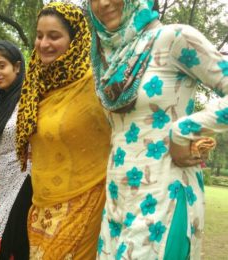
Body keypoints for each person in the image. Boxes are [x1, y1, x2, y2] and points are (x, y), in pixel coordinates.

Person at [88, 0, 228, 259]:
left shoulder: (173, 38)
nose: (103, 3)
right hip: (117, 203)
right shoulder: (107, 61)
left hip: (164, 197)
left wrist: (184, 130)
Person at [16, 2, 111, 259]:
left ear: (76, 40)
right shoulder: (36, 85)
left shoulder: (97, 83)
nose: (43, 43)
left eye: (54, 36)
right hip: (42, 203)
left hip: (85, 198)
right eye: (39, 35)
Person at [0, 40, 32, 259]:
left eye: (1, 66)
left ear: (18, 67)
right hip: (4, 183)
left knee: (12, 247)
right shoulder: (2, 101)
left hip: (24, 181)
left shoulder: (29, 98)